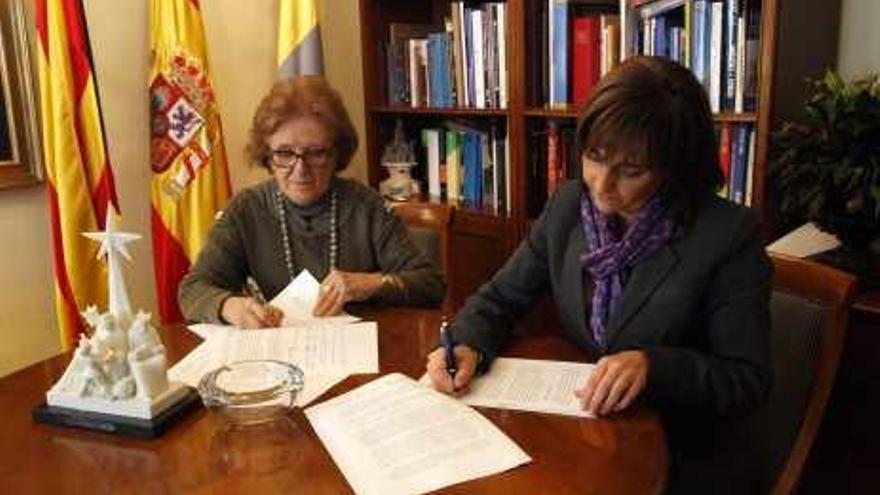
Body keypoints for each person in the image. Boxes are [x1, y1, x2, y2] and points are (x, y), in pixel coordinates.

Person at [425, 56, 772, 491]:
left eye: (631, 171)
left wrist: (653, 366)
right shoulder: (569, 206)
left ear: (675, 168)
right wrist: (467, 342)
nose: (601, 185)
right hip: (587, 432)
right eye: (594, 157)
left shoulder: (727, 235)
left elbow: (747, 378)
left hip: (682, 457)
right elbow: (500, 298)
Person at [179, 77, 445, 327]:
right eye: (284, 153)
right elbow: (193, 290)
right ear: (266, 154)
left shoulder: (367, 206)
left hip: (361, 353)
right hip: (279, 357)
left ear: (336, 154)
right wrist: (230, 306)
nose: (300, 169)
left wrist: (375, 283)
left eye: (316, 153)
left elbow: (431, 284)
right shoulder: (245, 210)